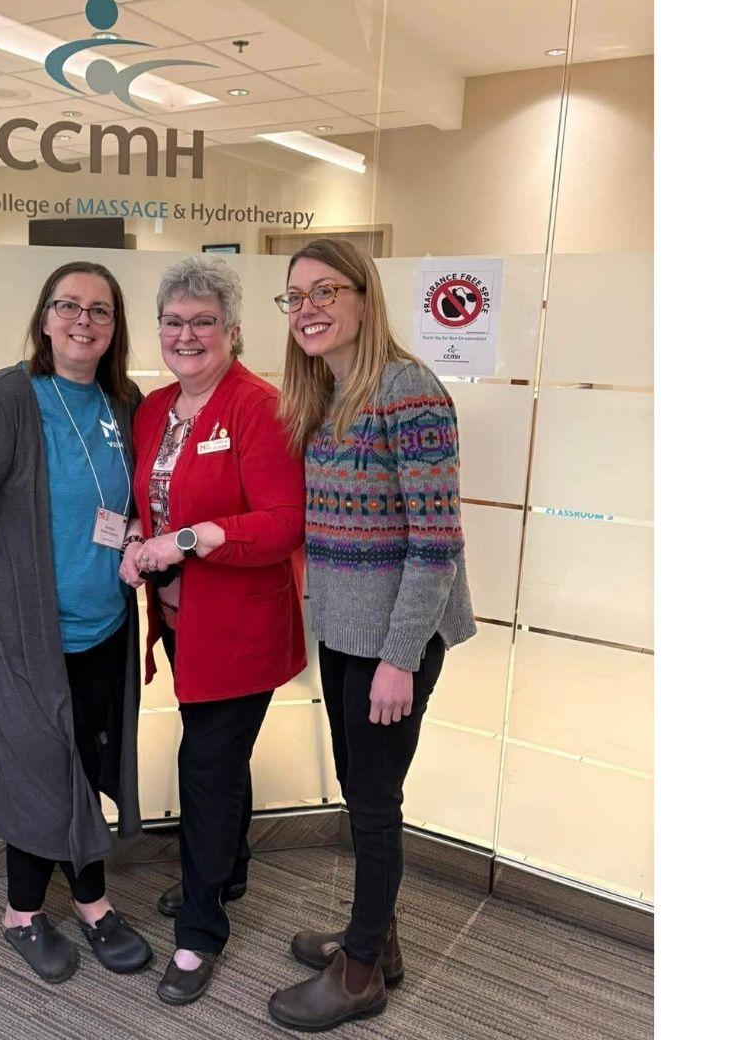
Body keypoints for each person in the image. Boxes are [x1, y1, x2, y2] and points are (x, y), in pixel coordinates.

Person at [266, 238, 477, 1031]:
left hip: (395, 639)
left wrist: (399, 659)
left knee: (375, 802)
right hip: (345, 630)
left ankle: (358, 976)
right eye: (295, 297)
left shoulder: (407, 391)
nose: (308, 309)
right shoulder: (323, 393)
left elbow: (436, 543)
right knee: (360, 792)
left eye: (326, 291)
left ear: (363, 297)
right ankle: (375, 941)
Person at [0, 261, 153, 984]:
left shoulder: (124, 402)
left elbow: (139, 503)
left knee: (83, 763)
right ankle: (26, 912)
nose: (83, 321)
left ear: (115, 327)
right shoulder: (6, 399)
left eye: (99, 310)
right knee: (38, 773)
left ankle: (86, 901)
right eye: (68, 306)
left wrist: (141, 543)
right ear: (44, 318)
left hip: (104, 630)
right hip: (22, 636)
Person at [117, 255, 306, 1006]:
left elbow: (283, 524)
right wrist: (141, 533)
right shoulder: (155, 409)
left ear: (232, 330)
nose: (186, 335)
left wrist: (189, 540)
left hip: (239, 629)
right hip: (178, 623)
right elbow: (150, 500)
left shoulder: (260, 407)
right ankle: (228, 872)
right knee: (220, 762)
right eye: (173, 322)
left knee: (203, 768)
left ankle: (200, 933)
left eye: (203, 322)